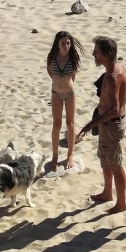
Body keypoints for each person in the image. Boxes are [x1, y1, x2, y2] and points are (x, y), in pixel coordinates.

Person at [77, 36, 126, 212]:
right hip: (110, 124)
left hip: (112, 124)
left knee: (115, 163)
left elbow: (114, 109)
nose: (93, 54)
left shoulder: (112, 77)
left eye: (97, 51)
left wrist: (90, 125)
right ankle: (107, 192)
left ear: (106, 54)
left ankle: (121, 204)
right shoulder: (120, 67)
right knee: (106, 159)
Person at [45, 31, 82, 172]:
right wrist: (57, 84)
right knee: (56, 124)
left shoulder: (73, 59)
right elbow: (50, 72)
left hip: (70, 94)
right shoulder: (52, 58)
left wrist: (65, 85)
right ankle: (55, 156)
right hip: (55, 94)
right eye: (63, 43)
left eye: (68, 43)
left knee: (70, 123)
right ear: (57, 44)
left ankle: (70, 154)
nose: (66, 46)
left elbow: (73, 77)